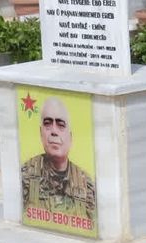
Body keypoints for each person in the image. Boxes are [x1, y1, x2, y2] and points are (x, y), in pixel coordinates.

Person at [20, 97, 97, 231]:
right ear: (40, 132)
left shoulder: (86, 184)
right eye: (48, 124)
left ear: (70, 137)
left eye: (61, 125)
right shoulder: (26, 175)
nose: (54, 131)